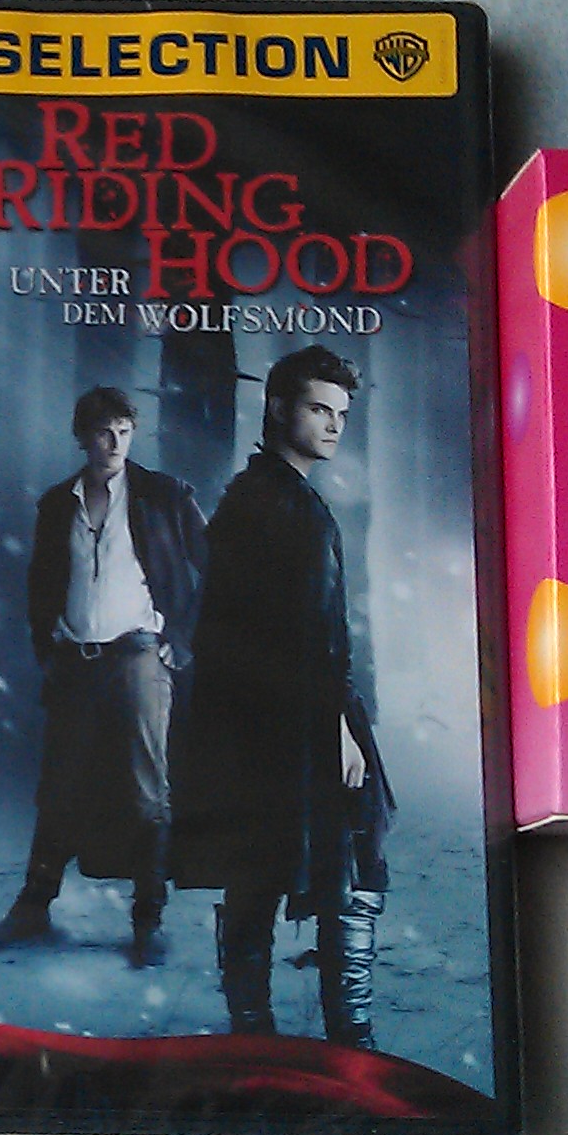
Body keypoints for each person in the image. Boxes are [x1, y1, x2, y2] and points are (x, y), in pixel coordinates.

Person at [172, 345, 395, 1047]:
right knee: (344, 856)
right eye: (318, 409)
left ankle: (260, 1036)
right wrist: (337, 726)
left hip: (267, 718)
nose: (333, 426)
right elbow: (301, 632)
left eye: (341, 415)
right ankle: (343, 1041)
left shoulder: (259, 496)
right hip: (291, 718)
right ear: (276, 408)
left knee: (263, 868)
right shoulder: (278, 505)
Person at [0, 386, 206, 965]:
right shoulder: (59, 504)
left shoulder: (164, 495)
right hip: (77, 660)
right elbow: (41, 580)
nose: (114, 444)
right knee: (59, 787)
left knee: (148, 790)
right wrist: (47, 645)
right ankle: (32, 909)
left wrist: (180, 641)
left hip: (139, 655)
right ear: (82, 436)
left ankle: (148, 921)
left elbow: (213, 570)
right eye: (103, 432)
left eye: (124, 432)